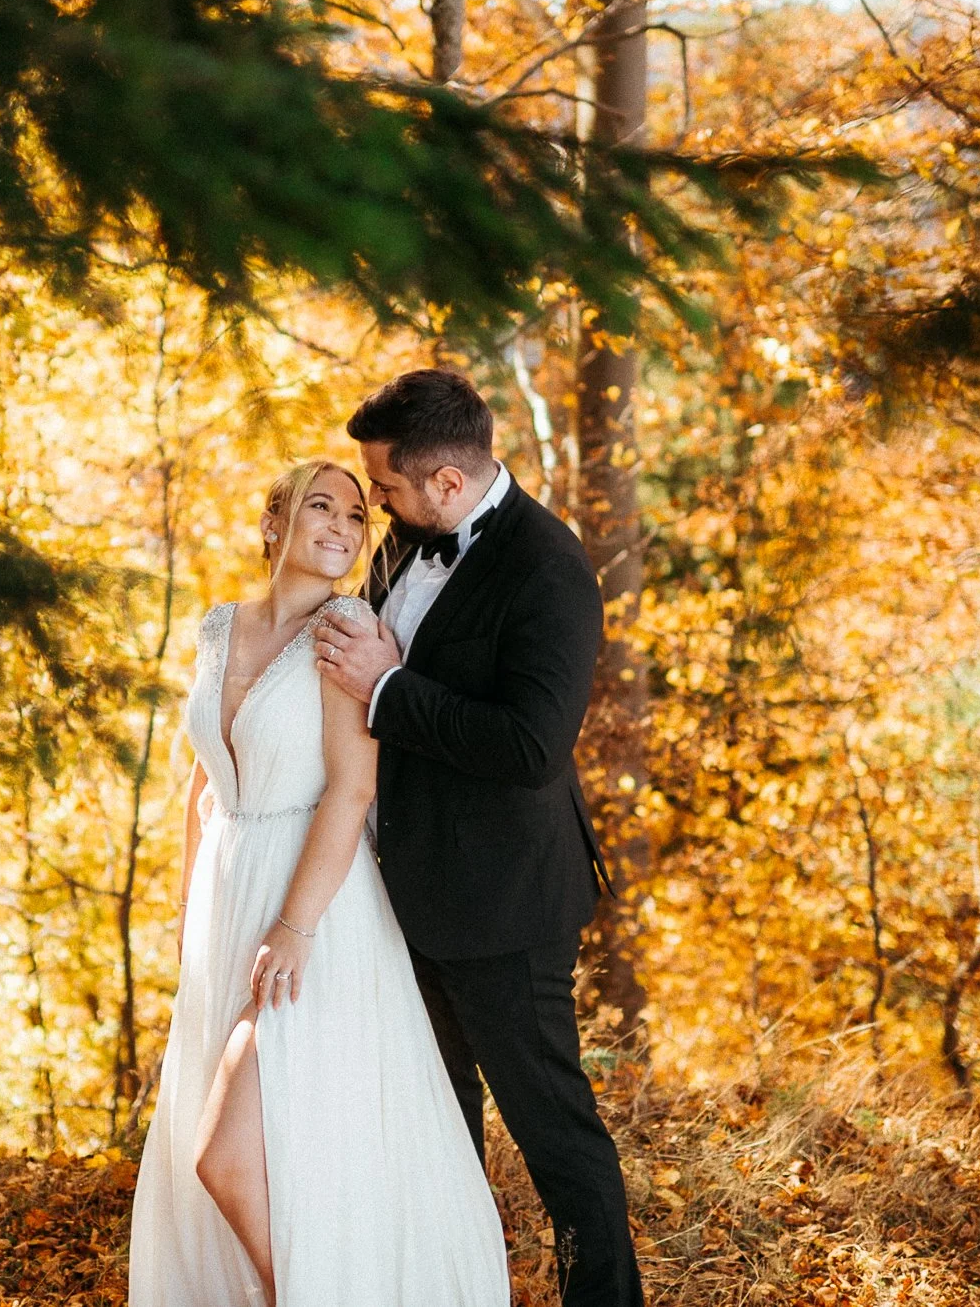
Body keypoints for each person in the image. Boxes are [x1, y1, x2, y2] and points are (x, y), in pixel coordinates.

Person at [127, 459, 510, 1306]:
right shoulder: (219, 627)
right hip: (228, 896)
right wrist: (190, 904)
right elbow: (204, 778)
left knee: (226, 1153)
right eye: (320, 508)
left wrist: (294, 927)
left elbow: (353, 787)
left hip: (313, 904)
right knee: (266, 1143)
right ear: (276, 524)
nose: (342, 526)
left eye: (354, 516)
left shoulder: (345, 628)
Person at [314, 369, 644, 1306]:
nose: (374, 503)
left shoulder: (549, 567)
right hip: (399, 895)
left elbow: (532, 747)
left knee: (554, 1136)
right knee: (435, 1126)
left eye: (385, 486)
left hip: (506, 906)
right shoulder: (405, 542)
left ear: (448, 484)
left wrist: (388, 690)